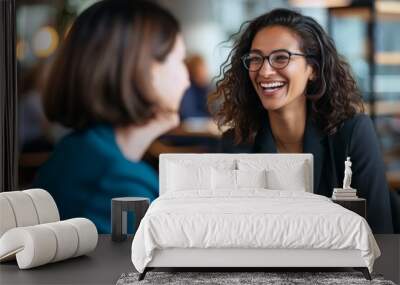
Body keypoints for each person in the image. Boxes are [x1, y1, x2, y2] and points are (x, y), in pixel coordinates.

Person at [209, 8, 393, 233]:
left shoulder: (352, 134)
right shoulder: (235, 143)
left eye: (281, 58)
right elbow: (232, 234)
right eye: (256, 58)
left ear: (313, 69)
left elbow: (380, 232)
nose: (265, 71)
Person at [33, 0, 189, 233]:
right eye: (179, 61)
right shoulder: (120, 184)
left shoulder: (78, 151)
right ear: (144, 70)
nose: (186, 79)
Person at [179, 54, 211, 120]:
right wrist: (208, 118)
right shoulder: (188, 89)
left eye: (204, 69)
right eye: (199, 71)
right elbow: (188, 114)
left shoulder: (207, 87)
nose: (203, 73)